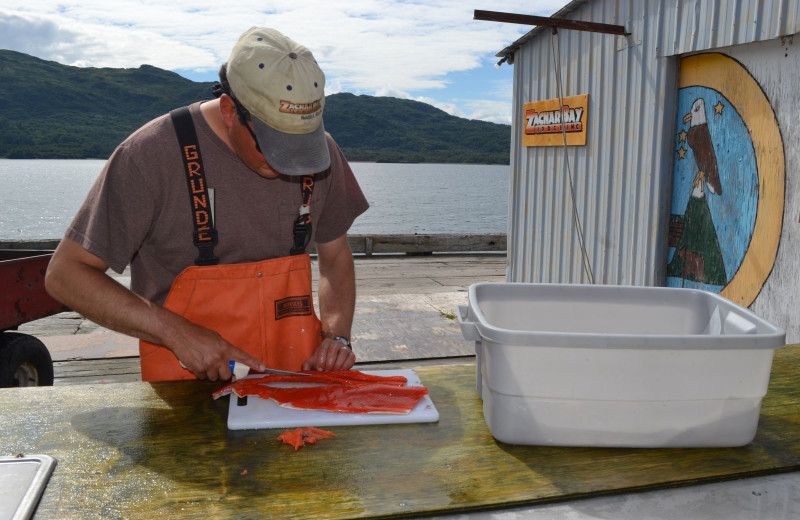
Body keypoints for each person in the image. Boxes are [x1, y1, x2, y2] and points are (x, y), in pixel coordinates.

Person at [45, 27, 369, 382]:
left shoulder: (324, 154)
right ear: (230, 110)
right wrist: (176, 331)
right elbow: (65, 274)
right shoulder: (150, 155)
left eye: (301, 147)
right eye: (273, 145)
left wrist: (336, 336)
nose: (289, 163)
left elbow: (335, 258)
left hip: (293, 385)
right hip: (183, 391)